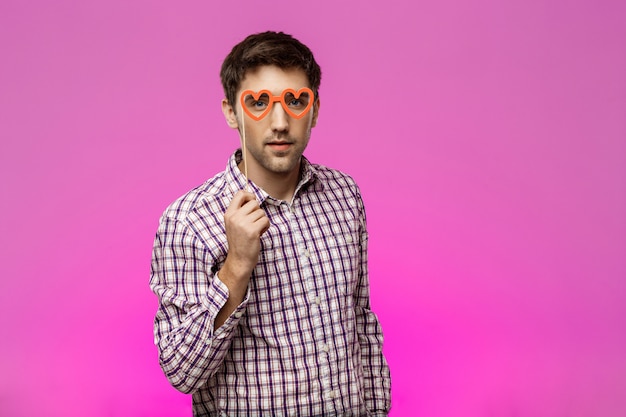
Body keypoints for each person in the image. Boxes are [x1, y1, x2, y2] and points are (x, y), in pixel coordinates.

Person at [150, 31, 391, 417]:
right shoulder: (190, 220)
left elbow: (361, 322)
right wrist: (236, 268)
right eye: (259, 103)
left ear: (314, 110)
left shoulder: (345, 196)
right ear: (232, 112)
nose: (280, 122)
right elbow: (181, 373)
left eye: (296, 101)